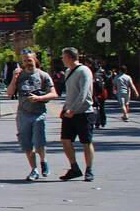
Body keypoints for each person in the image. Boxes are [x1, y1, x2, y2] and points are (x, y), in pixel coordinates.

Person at [6, 50, 57, 181]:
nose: (27, 63)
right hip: (23, 114)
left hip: (38, 113)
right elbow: (10, 93)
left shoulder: (43, 75)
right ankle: (34, 169)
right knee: (26, 143)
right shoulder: (20, 75)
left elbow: (54, 94)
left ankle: (43, 161)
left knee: (39, 141)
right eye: (24, 60)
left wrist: (40, 98)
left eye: (29, 60)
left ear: (35, 60)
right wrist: (14, 78)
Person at [58, 47, 95, 182]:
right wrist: (65, 108)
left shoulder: (84, 71)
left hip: (84, 112)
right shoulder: (68, 71)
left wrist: (72, 109)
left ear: (69, 57)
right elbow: (70, 94)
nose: (62, 59)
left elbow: (83, 93)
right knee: (65, 140)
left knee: (86, 141)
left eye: (63, 56)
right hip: (69, 113)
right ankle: (74, 168)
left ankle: (89, 169)